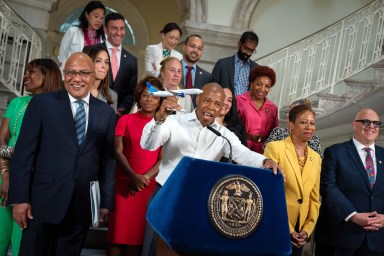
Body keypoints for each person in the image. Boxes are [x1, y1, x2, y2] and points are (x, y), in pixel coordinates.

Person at [140, 83, 283, 256]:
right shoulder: (174, 121)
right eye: (207, 100)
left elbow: (243, 154)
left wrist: (265, 161)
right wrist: (159, 118)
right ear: (198, 99)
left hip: (199, 201)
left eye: (217, 104)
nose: (211, 107)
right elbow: (148, 144)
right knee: (159, 249)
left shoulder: (223, 135)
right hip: (167, 194)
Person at [8, 52, 115, 256]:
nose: (77, 79)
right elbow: (24, 154)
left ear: (94, 76)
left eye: (83, 73)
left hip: (81, 207)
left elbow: (107, 161)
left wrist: (105, 203)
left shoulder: (106, 113)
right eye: (71, 73)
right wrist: (20, 199)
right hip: (40, 204)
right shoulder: (43, 103)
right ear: (64, 74)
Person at [0, 59, 62, 256]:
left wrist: (18, 177)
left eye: (32, 71)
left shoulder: (58, 107)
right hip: (4, 175)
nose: (26, 75)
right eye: (26, 71)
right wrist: (6, 172)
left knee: (23, 241)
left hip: (33, 182)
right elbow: (2, 140)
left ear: (48, 76)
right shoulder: (17, 102)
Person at [106, 76, 163, 256]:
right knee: (117, 236)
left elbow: (165, 159)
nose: (149, 99)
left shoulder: (165, 125)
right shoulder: (126, 120)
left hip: (147, 187)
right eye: (146, 95)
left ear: (160, 100)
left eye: (154, 96)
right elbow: (117, 151)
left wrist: (142, 179)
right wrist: (133, 177)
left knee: (136, 239)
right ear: (138, 96)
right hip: (124, 182)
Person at [315, 108, 384, 256]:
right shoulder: (335, 152)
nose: (372, 126)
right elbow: (328, 188)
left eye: (376, 123)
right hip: (340, 238)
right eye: (366, 122)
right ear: (354, 124)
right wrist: (353, 215)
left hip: (377, 241)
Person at [264, 103, 321, 256]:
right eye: (303, 122)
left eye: (312, 123)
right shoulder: (274, 148)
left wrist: (307, 230)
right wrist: (288, 229)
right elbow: (269, 194)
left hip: (301, 231)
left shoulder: (316, 158)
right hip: (277, 223)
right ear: (291, 124)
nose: (309, 127)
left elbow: (314, 199)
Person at [96, 12, 138, 116]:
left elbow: (131, 92)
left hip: (116, 117)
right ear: (105, 30)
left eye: (122, 28)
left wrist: (121, 110)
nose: (119, 33)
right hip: (92, 110)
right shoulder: (92, 51)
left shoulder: (132, 60)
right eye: (114, 28)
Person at [236, 65, 278, 154]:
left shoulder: (273, 108)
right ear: (251, 84)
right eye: (259, 84)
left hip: (263, 150)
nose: (262, 89)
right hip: (241, 146)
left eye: (267, 86)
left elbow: (273, 133)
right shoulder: (239, 100)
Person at [212, 31, 259, 96]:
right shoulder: (222, 64)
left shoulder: (257, 69)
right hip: (225, 105)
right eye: (246, 48)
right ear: (239, 44)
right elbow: (212, 90)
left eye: (252, 51)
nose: (248, 53)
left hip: (245, 106)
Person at [58, 1, 105, 65]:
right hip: (73, 72)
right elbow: (62, 57)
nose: (99, 20)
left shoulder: (104, 38)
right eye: (96, 16)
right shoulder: (73, 32)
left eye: (102, 18)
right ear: (86, 14)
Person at [83, 44, 118, 112]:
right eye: (98, 61)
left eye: (106, 62)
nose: (104, 66)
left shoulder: (112, 96)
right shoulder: (76, 88)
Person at [180, 34, 213, 106]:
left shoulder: (207, 77)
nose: (195, 50)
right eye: (192, 46)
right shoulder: (170, 69)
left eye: (199, 48)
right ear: (184, 47)